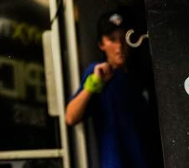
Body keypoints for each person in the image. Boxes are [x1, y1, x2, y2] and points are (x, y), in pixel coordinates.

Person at [66, 10, 161, 168]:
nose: (119, 46)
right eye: (112, 39)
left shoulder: (140, 75)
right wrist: (93, 85)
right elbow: (70, 117)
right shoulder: (98, 73)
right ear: (101, 44)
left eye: (123, 38)